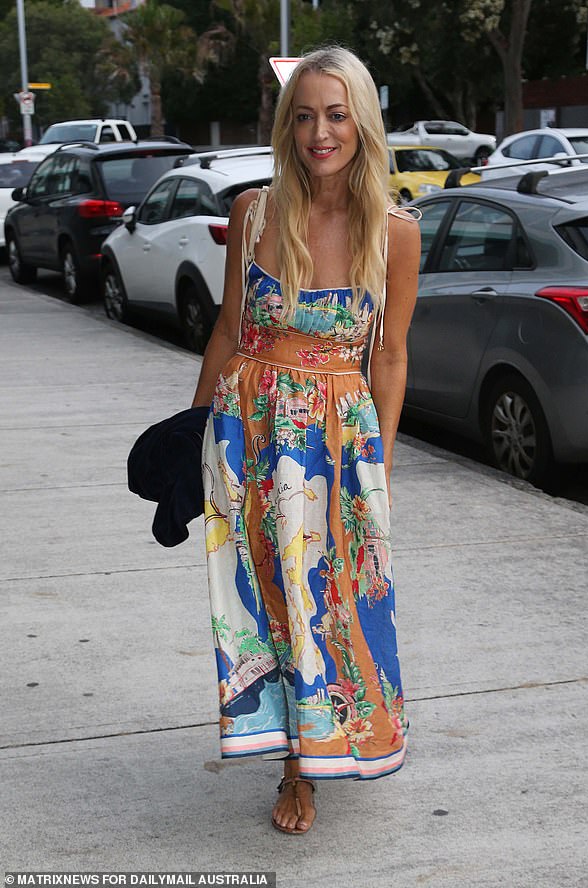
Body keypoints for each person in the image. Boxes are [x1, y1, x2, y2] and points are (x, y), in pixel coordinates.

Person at [191, 45, 420, 835]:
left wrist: (377, 465)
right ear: (285, 127)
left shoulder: (394, 233)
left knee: (327, 601)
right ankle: (295, 766)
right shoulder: (254, 212)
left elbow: (387, 355)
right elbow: (229, 328)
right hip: (248, 431)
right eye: (304, 116)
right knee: (265, 605)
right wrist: (189, 438)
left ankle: (324, 745)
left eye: (335, 113)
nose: (320, 132)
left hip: (334, 444)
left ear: (361, 120)